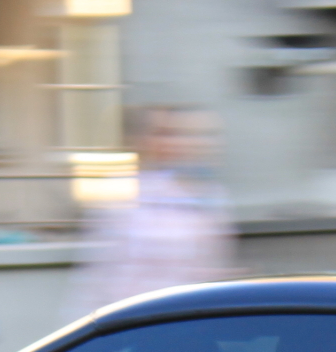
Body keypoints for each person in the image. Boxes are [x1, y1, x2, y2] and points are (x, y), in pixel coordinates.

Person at [65, 104, 236, 319]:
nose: (184, 144)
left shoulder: (209, 199)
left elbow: (212, 269)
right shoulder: (121, 194)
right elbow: (96, 276)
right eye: (163, 134)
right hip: (134, 322)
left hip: (187, 322)